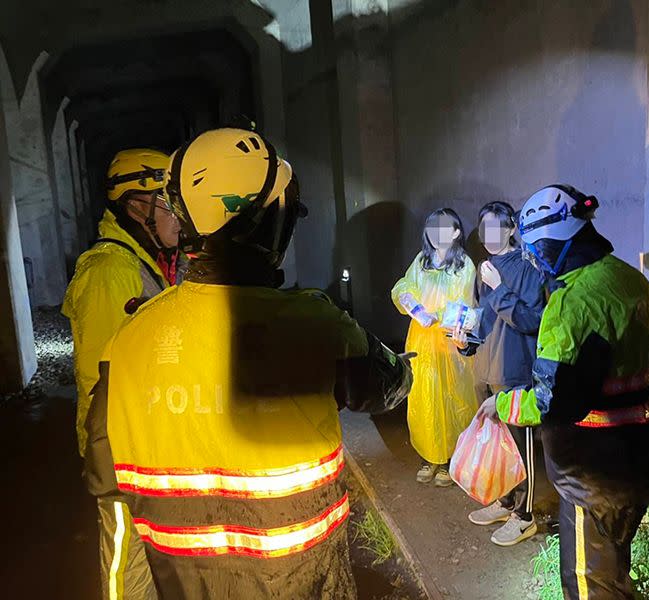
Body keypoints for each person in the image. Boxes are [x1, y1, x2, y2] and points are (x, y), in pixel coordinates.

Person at [83, 128, 414, 599]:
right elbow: (387, 384)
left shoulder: (128, 342)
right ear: (265, 224)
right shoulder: (315, 324)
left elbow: (110, 499)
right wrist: (403, 363)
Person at [477, 184, 649, 599]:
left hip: (596, 476)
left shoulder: (572, 303)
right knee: (615, 571)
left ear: (557, 241)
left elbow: (551, 401)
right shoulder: (628, 278)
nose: (534, 259)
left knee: (591, 585)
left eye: (536, 248)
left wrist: (499, 404)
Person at [63, 148, 181, 600]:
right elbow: (100, 380)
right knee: (125, 560)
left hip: (147, 442)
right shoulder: (110, 271)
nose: (177, 216)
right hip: (121, 451)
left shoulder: (146, 262)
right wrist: (116, 463)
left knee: (154, 554)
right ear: (135, 206)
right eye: (166, 204)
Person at [451, 201, 546, 546]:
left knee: (521, 447)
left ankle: (525, 516)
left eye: (496, 228)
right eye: (484, 229)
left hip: (516, 369)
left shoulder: (527, 267)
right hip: (487, 369)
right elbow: (484, 316)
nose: (488, 236)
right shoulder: (485, 268)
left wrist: (500, 288)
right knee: (499, 446)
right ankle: (506, 502)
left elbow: (533, 321)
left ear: (510, 230)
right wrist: (466, 342)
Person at [391, 208, 478, 487]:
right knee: (424, 397)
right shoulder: (422, 261)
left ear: (455, 233)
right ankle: (431, 457)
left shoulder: (464, 265)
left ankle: (452, 458)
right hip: (421, 340)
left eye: (443, 228)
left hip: (449, 341)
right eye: (432, 227)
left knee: (452, 397)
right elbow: (406, 286)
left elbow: (463, 304)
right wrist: (412, 303)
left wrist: (437, 316)